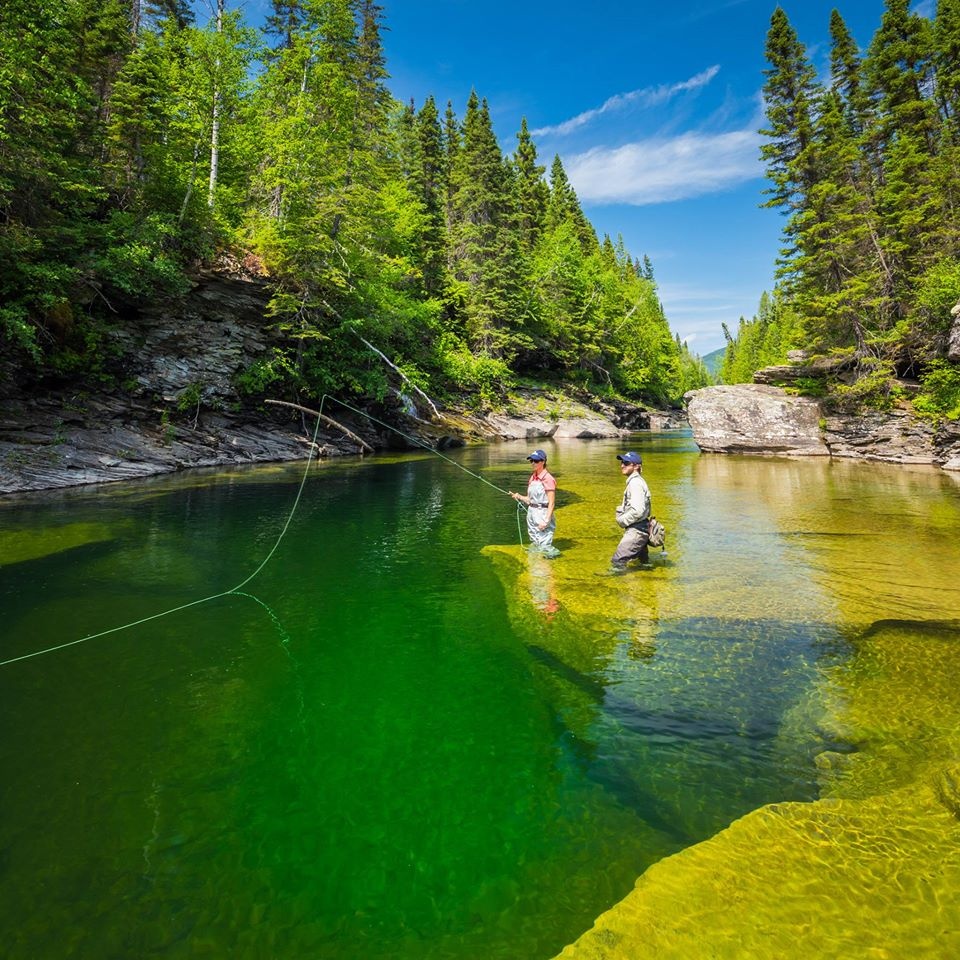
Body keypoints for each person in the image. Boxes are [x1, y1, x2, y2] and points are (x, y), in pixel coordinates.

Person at [509, 449, 558, 557]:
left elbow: (552, 503)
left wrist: (546, 520)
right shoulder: (533, 477)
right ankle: (537, 568)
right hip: (531, 513)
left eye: (535, 461)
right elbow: (530, 500)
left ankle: (553, 562)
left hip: (542, 513)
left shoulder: (548, 479)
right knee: (535, 541)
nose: (532, 463)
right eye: (531, 461)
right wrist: (519, 496)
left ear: (543, 461)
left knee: (544, 543)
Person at [611, 451, 651, 570]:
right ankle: (648, 585)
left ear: (636, 466)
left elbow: (638, 511)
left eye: (626, 463)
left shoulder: (635, 483)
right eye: (622, 462)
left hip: (637, 530)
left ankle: (616, 587)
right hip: (642, 527)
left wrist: (621, 521)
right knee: (644, 564)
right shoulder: (636, 482)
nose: (622, 465)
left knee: (618, 561)